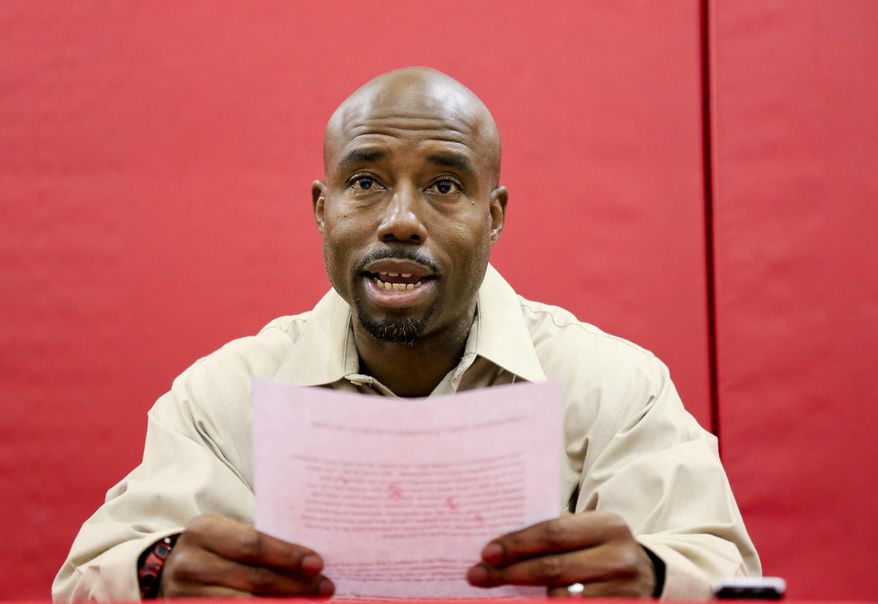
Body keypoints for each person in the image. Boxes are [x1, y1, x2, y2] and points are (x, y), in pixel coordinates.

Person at [53, 67, 759, 601]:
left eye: (445, 185)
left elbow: (728, 576)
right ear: (322, 210)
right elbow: (85, 580)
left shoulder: (614, 385)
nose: (400, 219)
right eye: (365, 181)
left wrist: (657, 575)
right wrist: (155, 569)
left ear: (496, 214)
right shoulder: (223, 395)